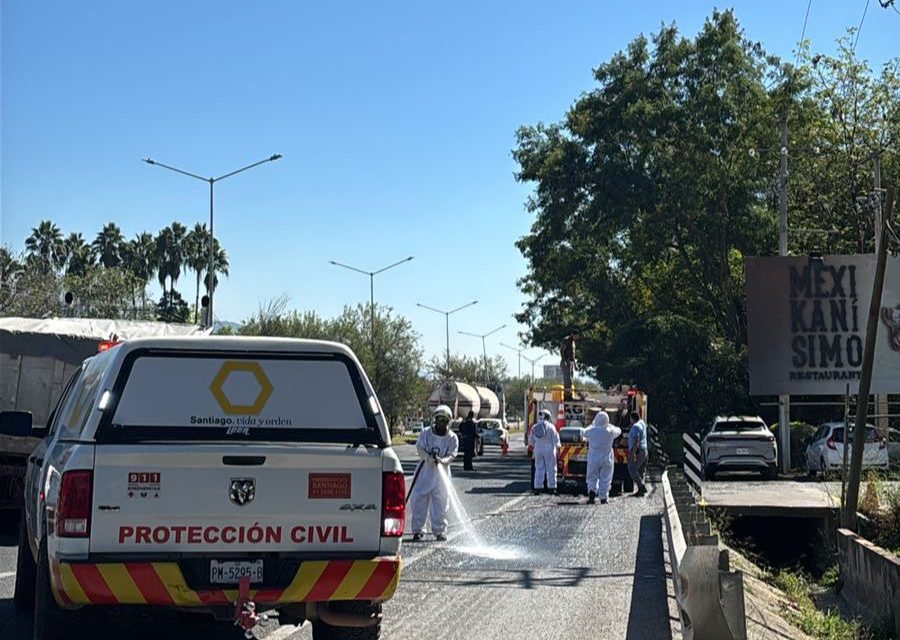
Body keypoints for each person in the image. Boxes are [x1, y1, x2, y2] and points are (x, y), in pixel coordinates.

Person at [410, 405, 459, 541]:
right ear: (434, 420)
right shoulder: (426, 433)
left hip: (441, 476)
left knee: (441, 502)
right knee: (419, 500)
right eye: (439, 420)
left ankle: (439, 530)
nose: (441, 423)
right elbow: (420, 449)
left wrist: (442, 461)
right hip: (424, 473)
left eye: (444, 421)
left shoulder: (452, 438)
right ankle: (418, 530)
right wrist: (429, 458)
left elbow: (452, 454)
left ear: (448, 422)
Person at [583, 410, 621, 504]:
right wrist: (609, 425)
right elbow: (618, 431)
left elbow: (583, 432)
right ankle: (603, 498)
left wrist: (593, 425)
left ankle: (592, 494)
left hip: (594, 458)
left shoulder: (591, 430)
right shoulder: (610, 431)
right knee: (606, 478)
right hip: (606, 458)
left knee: (592, 477)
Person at [528, 409, 560, 495]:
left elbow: (531, 442)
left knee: (539, 468)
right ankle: (552, 488)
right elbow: (556, 440)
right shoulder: (551, 427)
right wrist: (557, 450)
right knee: (551, 469)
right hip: (549, 450)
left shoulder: (535, 427)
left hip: (538, 450)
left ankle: (538, 488)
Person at [627, 410, 649, 496]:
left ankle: (641, 486)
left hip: (638, 451)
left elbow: (636, 440)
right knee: (640, 471)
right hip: (645, 450)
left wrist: (633, 453)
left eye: (630, 419)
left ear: (632, 419)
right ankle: (640, 491)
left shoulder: (635, 426)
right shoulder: (642, 423)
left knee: (631, 468)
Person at [560, 331, 579, 401]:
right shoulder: (566, 340)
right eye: (575, 336)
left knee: (571, 380)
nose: (576, 337)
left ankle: (569, 396)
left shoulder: (573, 343)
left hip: (570, 362)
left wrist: (575, 365)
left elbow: (573, 355)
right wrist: (563, 360)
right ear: (572, 334)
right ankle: (566, 397)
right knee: (567, 379)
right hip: (566, 361)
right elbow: (562, 350)